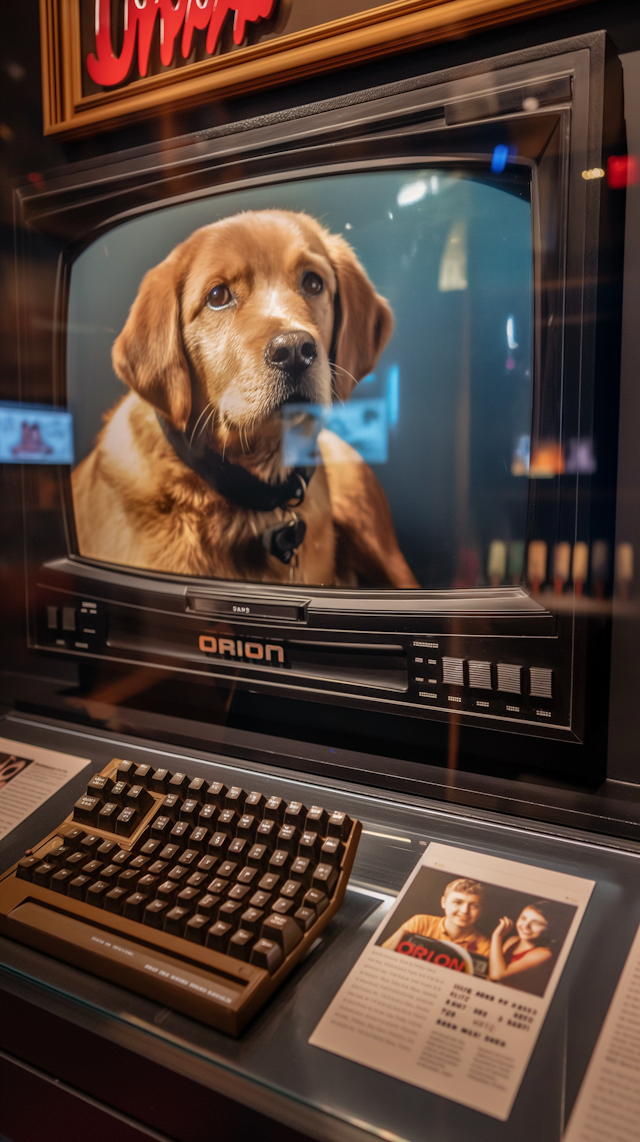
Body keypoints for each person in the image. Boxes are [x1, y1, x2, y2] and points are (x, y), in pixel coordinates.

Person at [381, 877, 491, 955]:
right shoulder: (420, 922)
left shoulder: (486, 946)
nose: (464, 911)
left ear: (481, 910)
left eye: (474, 906)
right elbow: (382, 954)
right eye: (458, 902)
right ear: (443, 902)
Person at [488, 900, 556, 994]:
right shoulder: (512, 940)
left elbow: (497, 976)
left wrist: (497, 937)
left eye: (536, 923)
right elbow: (491, 976)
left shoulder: (544, 953)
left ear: (548, 928)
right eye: (523, 918)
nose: (525, 926)